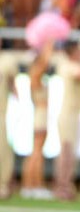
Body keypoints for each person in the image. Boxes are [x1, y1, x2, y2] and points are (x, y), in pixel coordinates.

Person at [54, 40, 80, 200]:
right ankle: (62, 186)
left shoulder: (70, 64)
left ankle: (66, 185)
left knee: (70, 153)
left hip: (73, 114)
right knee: (66, 152)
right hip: (67, 115)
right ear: (72, 52)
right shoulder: (67, 65)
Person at [20, 40, 54, 200]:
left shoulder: (33, 75)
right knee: (37, 153)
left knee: (35, 152)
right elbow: (45, 63)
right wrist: (48, 47)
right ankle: (36, 185)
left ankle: (29, 185)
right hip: (40, 115)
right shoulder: (36, 74)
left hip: (39, 114)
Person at [0, 47, 19, 199]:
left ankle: (3, 185)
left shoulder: (7, 60)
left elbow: (13, 84)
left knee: (3, 149)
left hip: (1, 111)